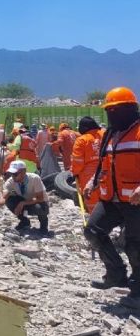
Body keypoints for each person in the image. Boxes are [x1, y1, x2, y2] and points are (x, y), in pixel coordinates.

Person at [83, 87, 140, 306]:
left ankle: (137, 289)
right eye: (109, 110)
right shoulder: (110, 133)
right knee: (93, 231)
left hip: (135, 202)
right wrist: (93, 181)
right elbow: (104, 164)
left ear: (130, 108)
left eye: (116, 109)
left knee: (135, 245)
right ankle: (116, 273)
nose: (111, 114)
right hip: (111, 198)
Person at [0, 160, 50, 235]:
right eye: (12, 174)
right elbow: (5, 195)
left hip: (39, 202)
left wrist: (22, 203)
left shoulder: (34, 178)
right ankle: (24, 222)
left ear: (24, 172)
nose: (13, 176)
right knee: (9, 200)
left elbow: (40, 198)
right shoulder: (11, 181)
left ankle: (43, 225)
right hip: (25, 202)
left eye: (15, 174)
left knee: (40, 208)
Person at [71, 117, 103, 213]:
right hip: (107, 172)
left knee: (92, 203)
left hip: (88, 176)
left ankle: (95, 223)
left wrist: (74, 173)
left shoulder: (82, 140)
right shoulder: (105, 135)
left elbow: (77, 162)